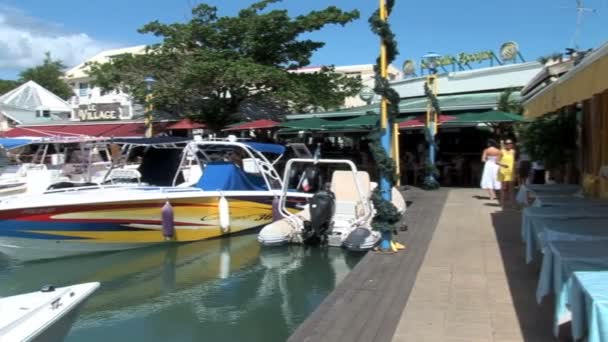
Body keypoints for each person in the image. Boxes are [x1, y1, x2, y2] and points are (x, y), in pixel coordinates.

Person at [498, 139, 516, 207]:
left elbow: (514, 162)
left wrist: (515, 172)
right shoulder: (501, 151)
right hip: (503, 171)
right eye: (507, 143)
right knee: (503, 188)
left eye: (510, 143)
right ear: (505, 144)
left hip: (511, 172)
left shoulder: (513, 151)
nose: (509, 144)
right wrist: (503, 165)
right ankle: (502, 203)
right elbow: (497, 161)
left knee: (511, 189)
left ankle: (512, 204)